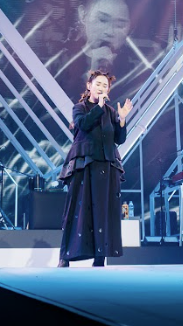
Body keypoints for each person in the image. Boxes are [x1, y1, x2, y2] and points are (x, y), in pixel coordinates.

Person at [57, 70, 133, 267]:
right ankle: (65, 256)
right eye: (98, 84)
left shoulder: (111, 112)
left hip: (107, 165)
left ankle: (100, 257)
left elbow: (119, 139)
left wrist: (122, 119)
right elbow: (83, 124)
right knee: (78, 209)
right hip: (85, 164)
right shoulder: (79, 108)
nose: (101, 88)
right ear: (89, 86)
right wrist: (99, 106)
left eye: (105, 86)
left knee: (103, 210)